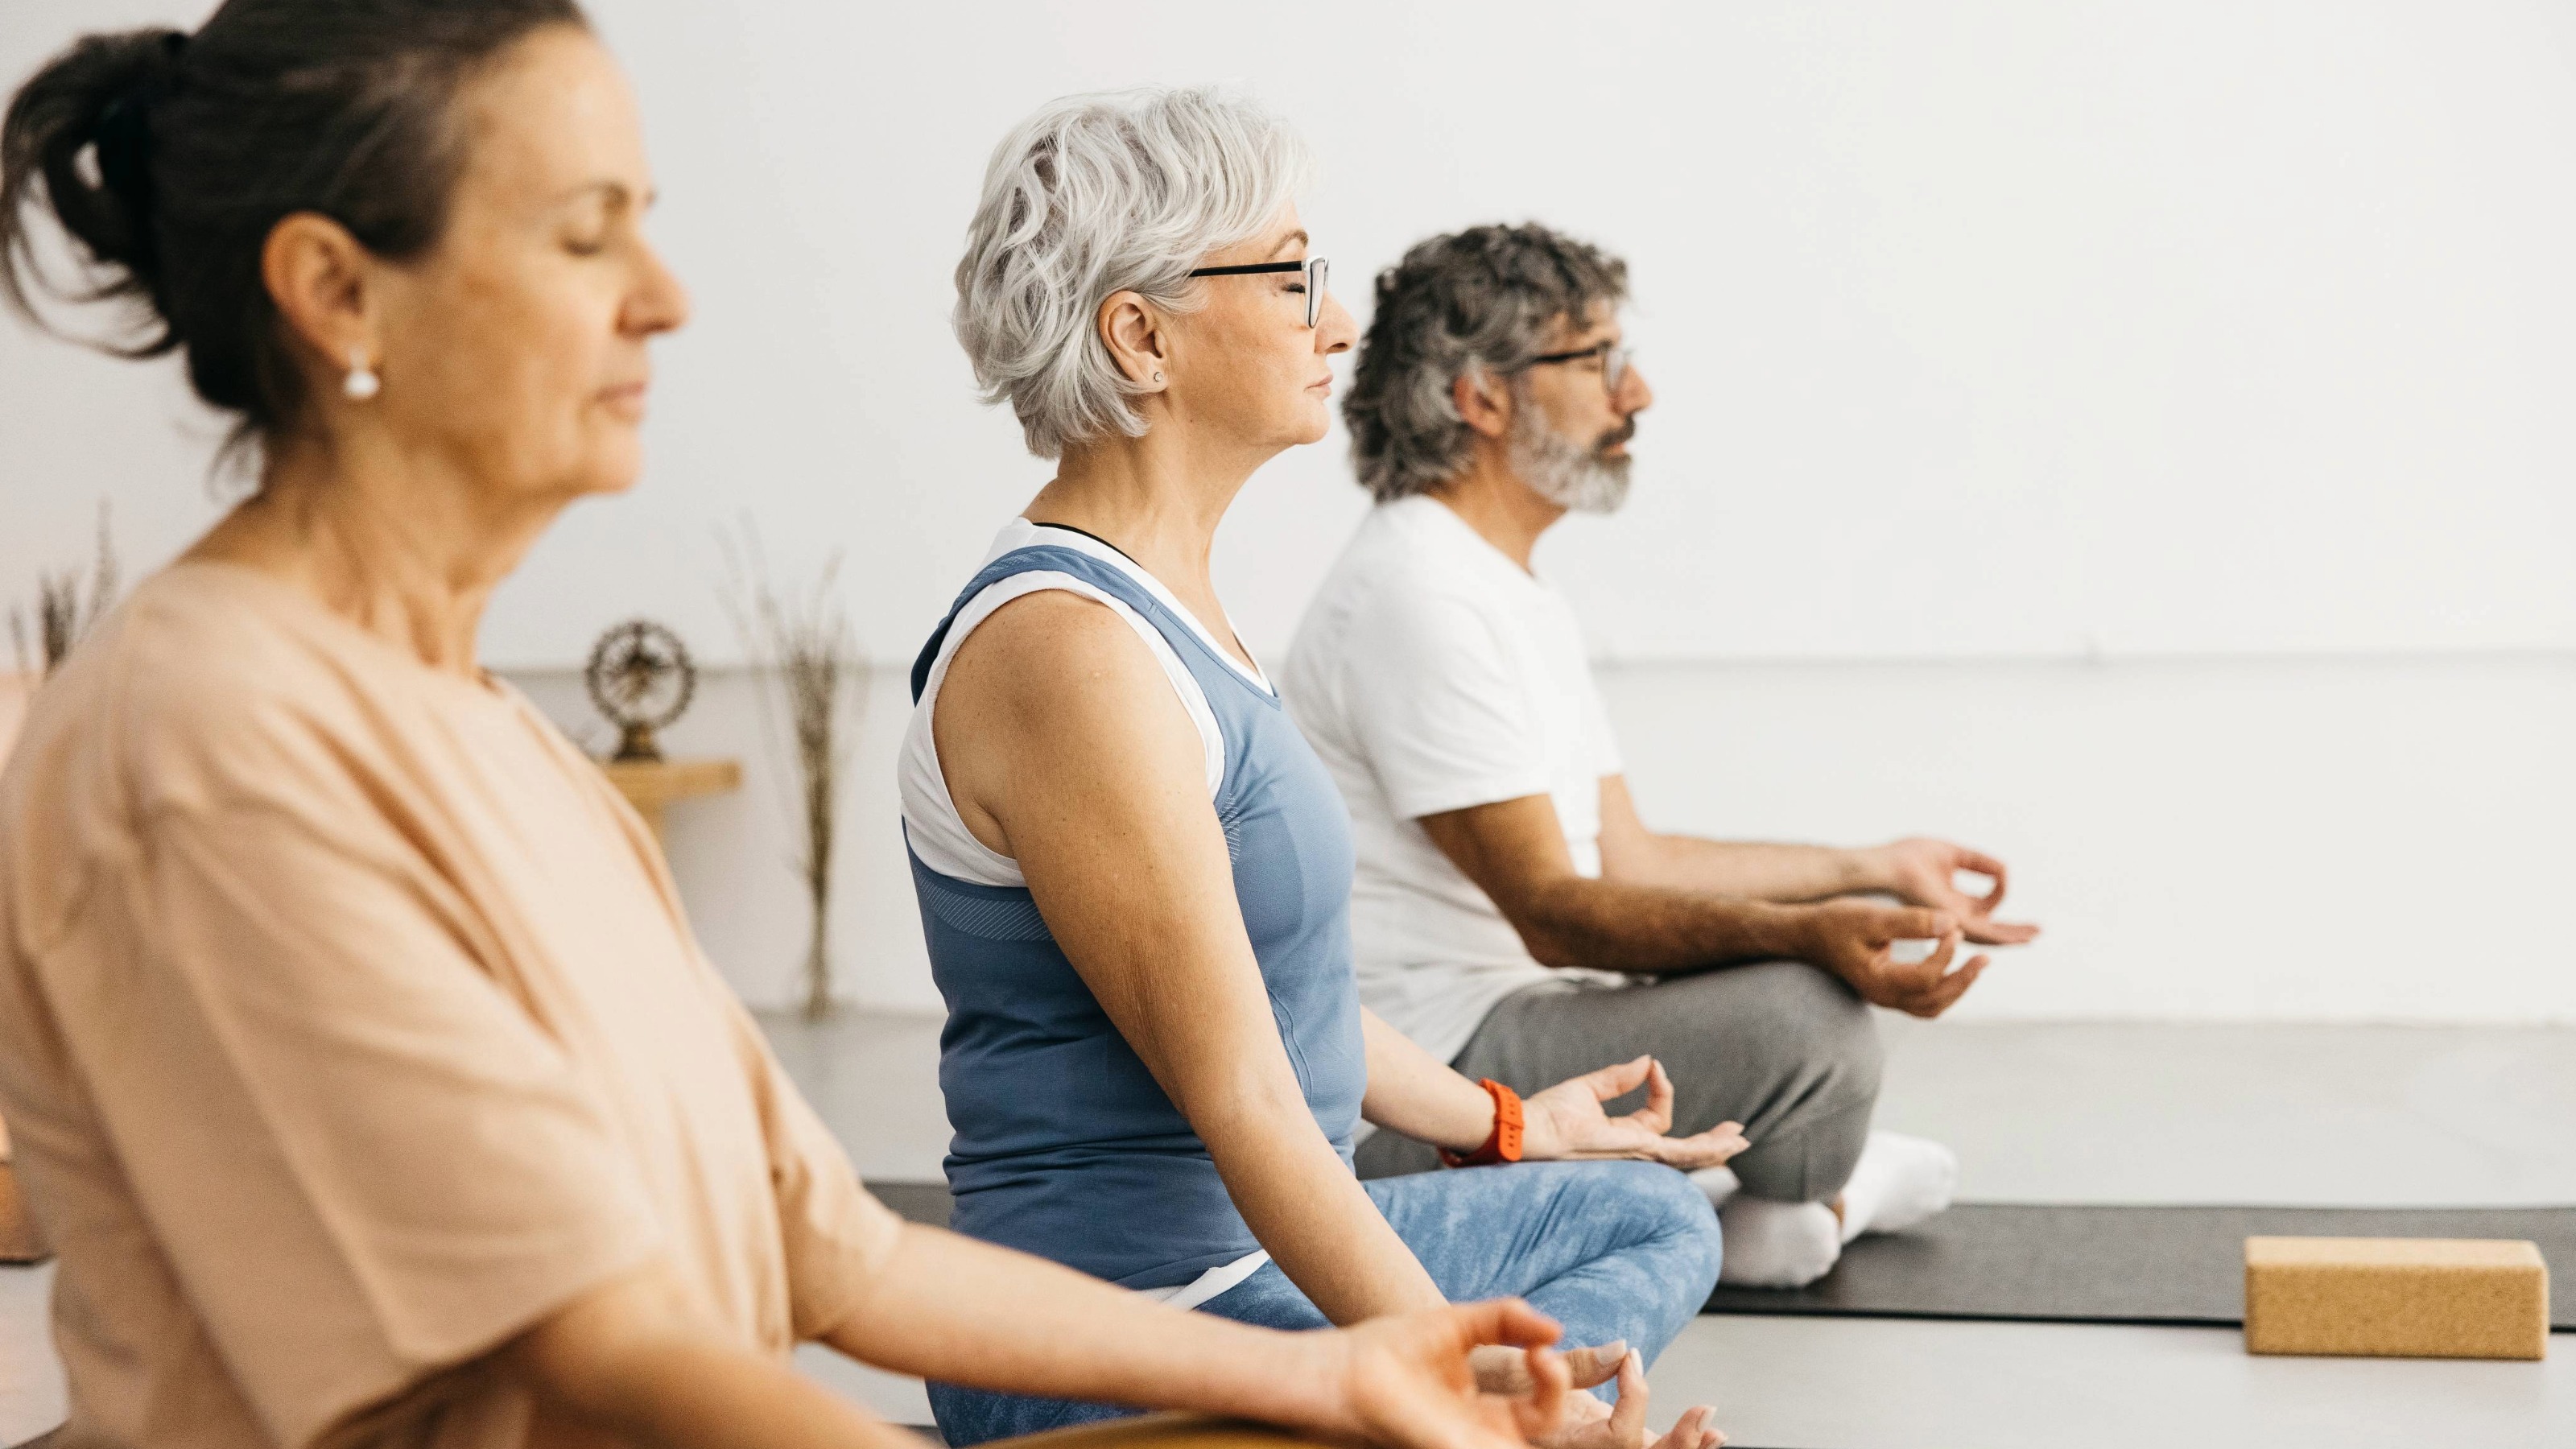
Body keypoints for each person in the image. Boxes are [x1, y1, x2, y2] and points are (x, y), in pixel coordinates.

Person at [0, 13, 1600, 1449]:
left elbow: (831, 1250)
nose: (664, 299)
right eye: (583, 237)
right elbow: (593, 1349)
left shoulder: (494, 743)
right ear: (339, 292)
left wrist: (1357, 1381)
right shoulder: (210, 748)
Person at [908, 91, 1740, 1448]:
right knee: (1518, 1385)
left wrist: (1512, 1126)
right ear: (1142, 333)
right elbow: (1244, 1100)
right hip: (1122, 1334)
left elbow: (1281, 1006)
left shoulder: (1165, 610)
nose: (1338, 323)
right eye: (1294, 278)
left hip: (1255, 1269)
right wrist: (1454, 1388)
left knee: (1646, 1212)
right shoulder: (1069, 656)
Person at [1283, 224, 2044, 1289]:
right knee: (1809, 1022)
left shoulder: (1502, 588)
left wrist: (1870, 868)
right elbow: (1554, 912)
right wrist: (1811, 940)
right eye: (1593, 359)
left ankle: (1740, 1208)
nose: (1633, 391)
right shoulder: (1418, 595)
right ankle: (1792, 1202)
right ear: (1482, 398)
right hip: (1424, 1088)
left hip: (1512, 1037)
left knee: (1791, 984)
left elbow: (1627, 857)